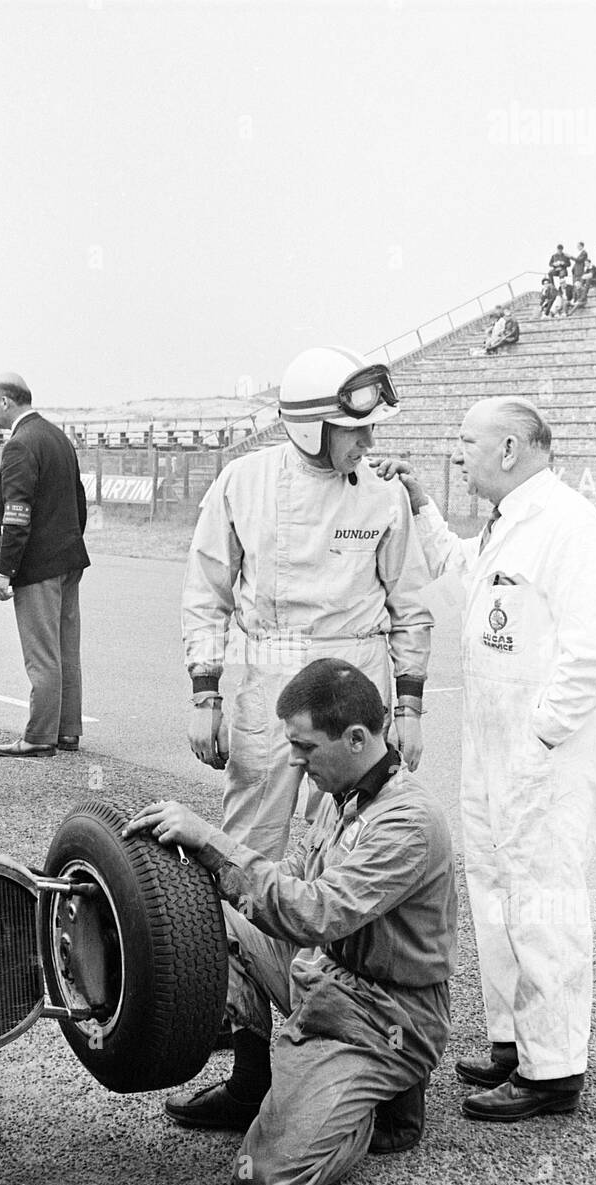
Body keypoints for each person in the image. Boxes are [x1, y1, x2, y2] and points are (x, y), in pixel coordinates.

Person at [124, 658, 457, 1185]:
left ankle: (379, 1097)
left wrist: (211, 842)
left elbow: (314, 913)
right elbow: (295, 883)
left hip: (384, 1016)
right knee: (211, 922)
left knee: (269, 1176)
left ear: (355, 738)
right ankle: (252, 1085)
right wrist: (194, 869)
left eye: (305, 747)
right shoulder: (342, 792)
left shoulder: (408, 822)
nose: (295, 761)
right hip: (326, 973)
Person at [373, 397, 596, 1122]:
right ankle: (515, 1044)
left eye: (466, 441)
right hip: (494, 744)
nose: (457, 453)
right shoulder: (509, 521)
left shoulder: (567, 526)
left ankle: (554, 1070)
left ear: (509, 448)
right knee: (493, 892)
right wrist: (420, 504)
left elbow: (591, 653)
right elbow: (462, 579)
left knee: (542, 898)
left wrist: (540, 738)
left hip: (547, 749)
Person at [182, 345, 432, 862]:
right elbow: (206, 596)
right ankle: (244, 943)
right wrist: (206, 698)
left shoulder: (385, 494)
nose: (368, 441)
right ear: (309, 427)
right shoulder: (242, 482)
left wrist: (409, 709)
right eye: (355, 429)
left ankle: (333, 944)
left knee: (352, 841)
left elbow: (411, 607)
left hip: (355, 679)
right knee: (249, 845)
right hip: (271, 675)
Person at [0, 374, 90, 757]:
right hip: (68, 558)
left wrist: (5, 570)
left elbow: (16, 515)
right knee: (65, 650)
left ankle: (39, 735)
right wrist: (70, 542)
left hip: (37, 564)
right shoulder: (58, 437)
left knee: (42, 654)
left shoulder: (19, 445)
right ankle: (66, 729)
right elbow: (79, 503)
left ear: (7, 402)